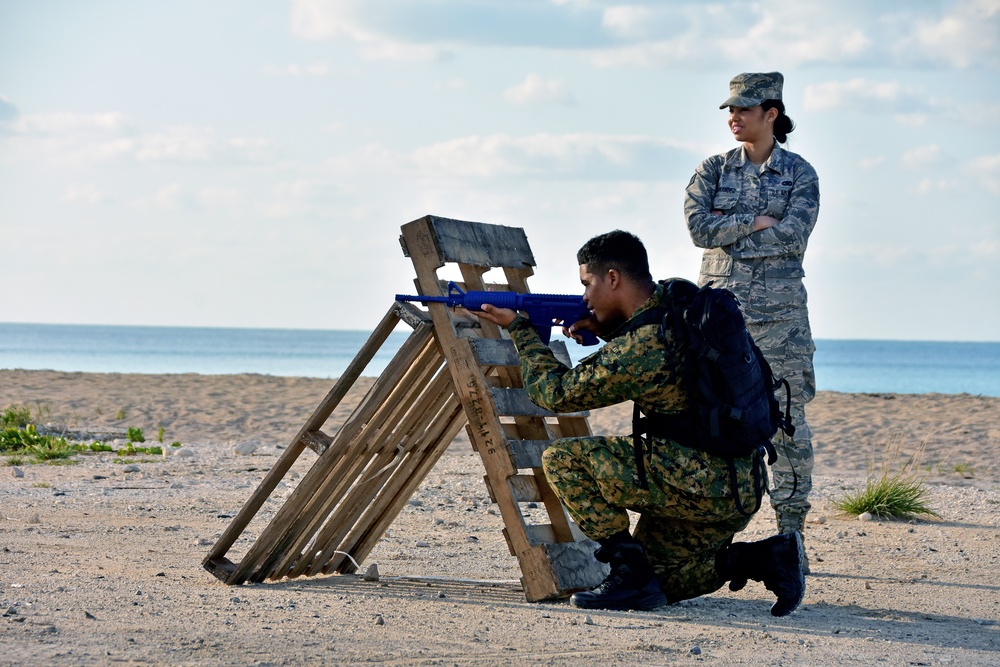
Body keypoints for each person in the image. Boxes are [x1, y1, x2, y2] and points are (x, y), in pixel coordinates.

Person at [473, 230, 805, 615]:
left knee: (565, 460)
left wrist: (521, 332)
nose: (584, 298)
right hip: (738, 483)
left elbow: (557, 394)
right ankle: (767, 558)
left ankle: (625, 569)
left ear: (613, 278)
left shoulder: (643, 344)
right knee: (657, 584)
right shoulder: (679, 303)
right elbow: (670, 365)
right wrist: (611, 330)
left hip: (701, 481)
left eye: (588, 284)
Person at [684, 72, 819, 557]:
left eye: (743, 109)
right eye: (729, 110)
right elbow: (699, 229)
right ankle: (707, 532)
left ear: (771, 113)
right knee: (711, 418)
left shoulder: (800, 175)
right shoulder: (713, 171)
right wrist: (754, 221)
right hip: (719, 323)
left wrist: (731, 231)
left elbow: (793, 236)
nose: (733, 117)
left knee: (786, 422)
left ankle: (790, 533)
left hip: (780, 324)